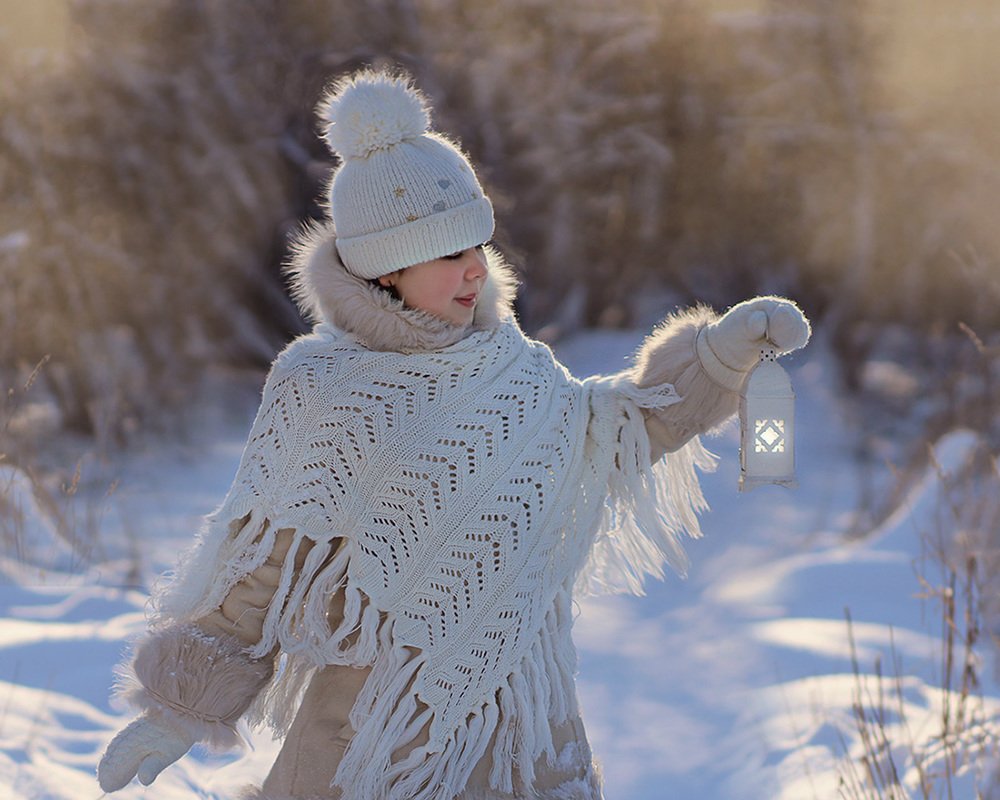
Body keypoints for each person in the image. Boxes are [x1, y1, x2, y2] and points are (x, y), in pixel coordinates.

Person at [97, 68, 810, 800]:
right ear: (384, 272)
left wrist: (722, 356)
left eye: (478, 246)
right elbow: (264, 568)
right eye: (447, 255)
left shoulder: (517, 374)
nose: (475, 271)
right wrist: (178, 713)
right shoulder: (327, 389)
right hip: (378, 745)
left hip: (526, 741)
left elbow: (622, 430)